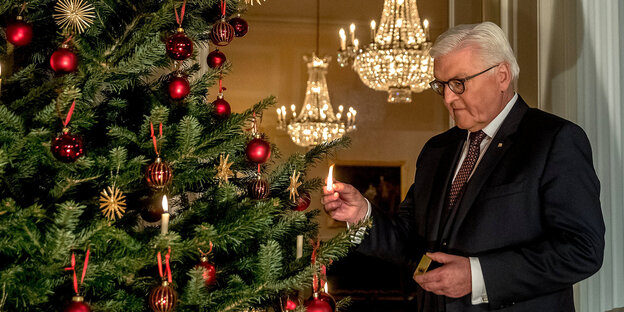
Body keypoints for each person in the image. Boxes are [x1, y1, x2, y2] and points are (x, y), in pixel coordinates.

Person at [321, 22, 605, 311]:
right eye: (441, 86)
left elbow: (583, 250)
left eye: (459, 83)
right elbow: (410, 242)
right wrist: (361, 215)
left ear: (502, 76)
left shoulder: (554, 139)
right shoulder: (436, 150)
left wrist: (479, 277)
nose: (447, 98)